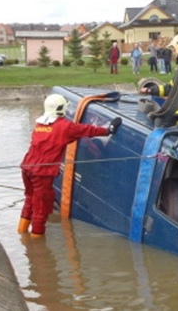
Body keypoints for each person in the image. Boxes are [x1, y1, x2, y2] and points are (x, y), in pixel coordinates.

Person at [18, 94, 122, 237]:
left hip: (27, 169)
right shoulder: (65, 127)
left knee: (30, 199)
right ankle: (36, 247)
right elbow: (87, 130)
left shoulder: (40, 124)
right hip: (42, 173)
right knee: (41, 208)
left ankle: (21, 231)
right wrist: (108, 130)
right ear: (61, 109)